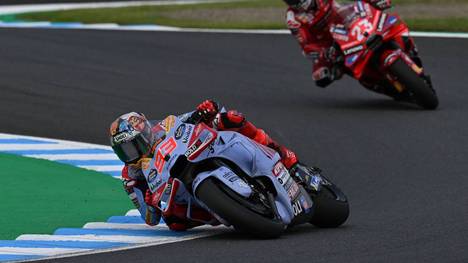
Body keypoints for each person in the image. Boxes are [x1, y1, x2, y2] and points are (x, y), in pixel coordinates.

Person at [109, 100, 314, 231]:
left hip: (195, 154)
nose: (132, 152)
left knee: (230, 118)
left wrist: (204, 110)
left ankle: (284, 156)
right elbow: (150, 218)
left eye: (134, 144)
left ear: (145, 131)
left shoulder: (166, 125)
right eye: (125, 150)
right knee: (174, 223)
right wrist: (151, 203)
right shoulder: (131, 176)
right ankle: (234, 210)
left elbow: (190, 117)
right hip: (178, 194)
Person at [283, 0, 424, 96]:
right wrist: (322, 52)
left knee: (393, 24)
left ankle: (411, 52)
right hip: (331, 45)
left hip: (350, 24)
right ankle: (381, 85)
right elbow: (306, 45)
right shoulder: (293, 19)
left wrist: (374, 2)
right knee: (322, 76)